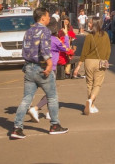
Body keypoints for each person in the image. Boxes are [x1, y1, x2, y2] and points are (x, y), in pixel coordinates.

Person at [11, 8, 68, 139]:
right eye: (48, 17)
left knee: (26, 99)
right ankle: (55, 125)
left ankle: (17, 127)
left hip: (29, 68)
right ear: (42, 18)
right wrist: (49, 64)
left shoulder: (28, 31)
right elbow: (44, 48)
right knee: (52, 97)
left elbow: (24, 50)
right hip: (41, 68)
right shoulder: (45, 31)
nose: (49, 19)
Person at [27, 17, 70, 122]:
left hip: (38, 66)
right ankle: (36, 108)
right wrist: (66, 35)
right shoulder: (55, 40)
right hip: (52, 67)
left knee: (44, 91)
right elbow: (67, 49)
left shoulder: (40, 38)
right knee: (51, 92)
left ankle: (48, 112)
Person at [73, 17, 111, 115]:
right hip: (101, 62)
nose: (88, 24)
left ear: (94, 24)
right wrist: (105, 59)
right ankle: (90, 101)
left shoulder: (89, 37)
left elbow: (84, 52)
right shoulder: (105, 35)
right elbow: (108, 50)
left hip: (89, 62)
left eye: (90, 23)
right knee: (97, 84)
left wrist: (78, 66)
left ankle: (92, 105)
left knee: (89, 84)